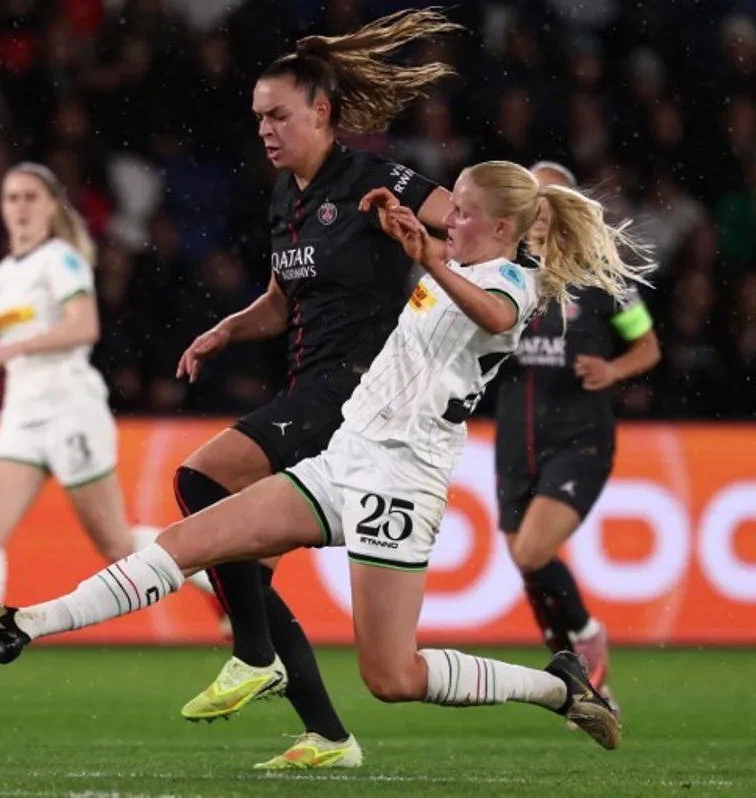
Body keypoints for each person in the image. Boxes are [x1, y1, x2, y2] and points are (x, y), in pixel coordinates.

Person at [0, 160, 654, 760]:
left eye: (461, 211)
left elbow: (493, 317)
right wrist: (416, 252)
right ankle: (19, 624)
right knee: (189, 539)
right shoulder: (451, 265)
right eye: (450, 209)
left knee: (392, 675)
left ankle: (559, 684)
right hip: (344, 460)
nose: (448, 218)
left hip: (402, 484)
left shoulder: (514, 285)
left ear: (502, 227)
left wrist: (429, 256)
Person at [171, 8, 459, 769]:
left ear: (322, 112)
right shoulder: (285, 197)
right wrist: (227, 330)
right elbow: (280, 297)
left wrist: (430, 248)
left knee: (201, 480)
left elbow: (463, 225)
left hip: (357, 390)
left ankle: (255, 658)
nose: (265, 129)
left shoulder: (374, 177)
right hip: (315, 385)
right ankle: (330, 737)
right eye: (258, 117)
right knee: (247, 570)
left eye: (279, 115)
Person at [0, 161, 216, 694]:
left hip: (69, 409)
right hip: (22, 413)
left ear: (50, 208)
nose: (18, 207)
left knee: (114, 543)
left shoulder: (60, 260)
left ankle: (218, 579)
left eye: (29, 198)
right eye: (10, 197)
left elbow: (83, 327)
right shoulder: (6, 272)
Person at [494, 161, 661, 719]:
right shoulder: (505, 273)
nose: (540, 208)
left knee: (534, 550)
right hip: (515, 442)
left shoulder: (599, 278)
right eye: (532, 197)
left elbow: (648, 347)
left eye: (550, 197)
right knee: (528, 566)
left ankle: (588, 634)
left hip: (580, 438)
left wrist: (613, 371)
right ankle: (585, 691)